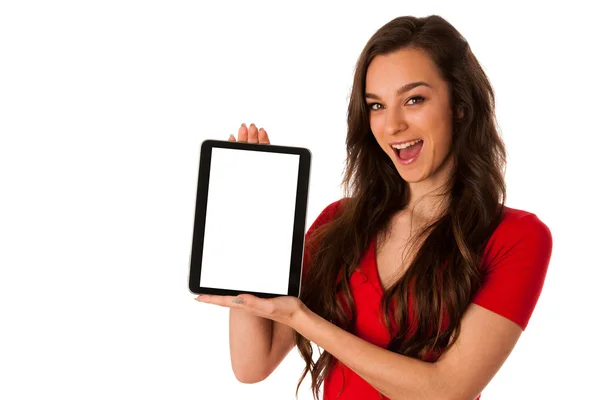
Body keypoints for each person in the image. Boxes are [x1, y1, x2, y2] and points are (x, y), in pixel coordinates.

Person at [195, 14, 553, 400]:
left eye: (414, 99)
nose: (392, 125)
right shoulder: (339, 223)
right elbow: (252, 366)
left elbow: (447, 391)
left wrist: (303, 319)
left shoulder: (517, 237)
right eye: (376, 106)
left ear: (461, 104)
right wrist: (254, 217)